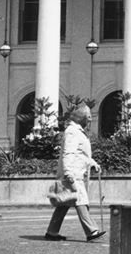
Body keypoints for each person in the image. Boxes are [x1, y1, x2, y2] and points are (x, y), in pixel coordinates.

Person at [44, 104, 106, 242]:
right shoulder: (72, 132)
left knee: (64, 203)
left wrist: (93, 163)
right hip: (73, 174)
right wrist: (68, 173)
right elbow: (68, 153)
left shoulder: (77, 131)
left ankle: (52, 231)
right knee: (80, 200)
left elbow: (81, 154)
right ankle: (92, 231)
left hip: (74, 172)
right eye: (88, 117)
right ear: (81, 118)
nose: (90, 120)